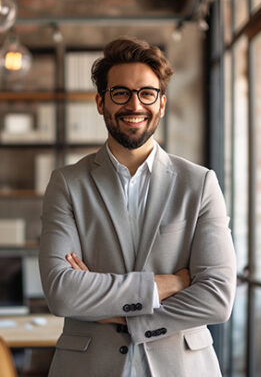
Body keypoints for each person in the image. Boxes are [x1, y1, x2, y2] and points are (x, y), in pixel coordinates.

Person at [39, 37, 236, 377]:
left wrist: (118, 310)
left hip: (183, 366)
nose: (134, 105)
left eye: (147, 93)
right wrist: (171, 283)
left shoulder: (200, 183)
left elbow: (217, 297)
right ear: (101, 102)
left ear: (161, 104)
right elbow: (62, 293)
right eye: (121, 93)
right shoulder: (67, 183)